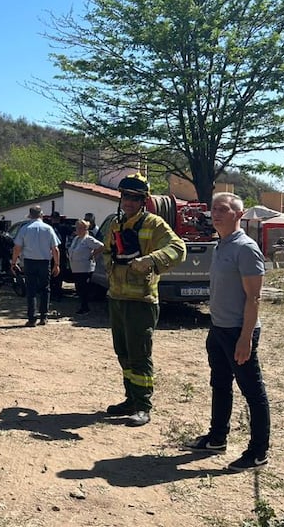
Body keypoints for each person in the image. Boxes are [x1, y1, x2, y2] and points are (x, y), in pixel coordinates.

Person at [187, 192, 271, 472]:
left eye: (223, 209)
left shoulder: (245, 248)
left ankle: (258, 452)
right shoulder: (221, 245)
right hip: (219, 329)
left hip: (238, 331)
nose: (216, 214)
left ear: (239, 214)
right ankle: (216, 438)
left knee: (253, 393)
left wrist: (246, 338)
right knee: (220, 384)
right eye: (214, 209)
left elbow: (254, 297)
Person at [101, 173, 187, 427]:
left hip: (141, 300)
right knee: (123, 353)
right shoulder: (116, 224)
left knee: (140, 355)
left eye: (135, 198)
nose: (128, 201)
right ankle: (130, 399)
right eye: (125, 196)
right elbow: (108, 251)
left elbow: (178, 248)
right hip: (117, 297)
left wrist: (150, 260)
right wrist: (112, 267)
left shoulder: (154, 223)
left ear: (143, 200)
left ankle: (143, 406)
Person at [11, 205, 60, 327]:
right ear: (41, 215)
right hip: (44, 261)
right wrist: (57, 264)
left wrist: (14, 262)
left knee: (31, 289)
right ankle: (44, 316)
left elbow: (17, 247)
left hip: (29, 261)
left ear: (30, 215)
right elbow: (55, 248)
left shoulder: (25, 228)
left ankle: (32, 318)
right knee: (45, 288)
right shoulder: (48, 229)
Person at [68, 219, 103, 314]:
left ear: (85, 229)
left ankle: (85, 307)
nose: (78, 230)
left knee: (84, 288)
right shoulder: (76, 239)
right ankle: (82, 306)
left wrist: (92, 254)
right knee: (78, 288)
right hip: (76, 268)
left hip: (85, 268)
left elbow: (101, 246)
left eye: (80, 228)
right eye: (77, 228)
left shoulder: (88, 239)